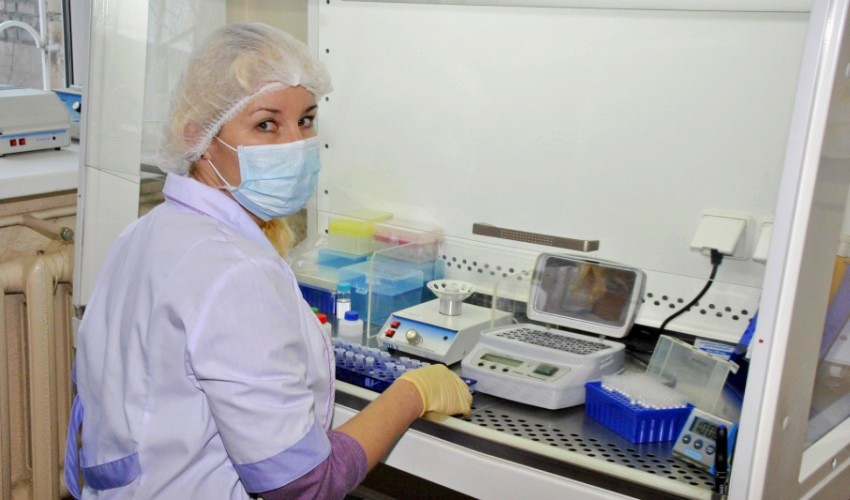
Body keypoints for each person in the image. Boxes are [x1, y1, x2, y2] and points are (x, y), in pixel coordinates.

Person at [64, 22, 472, 499]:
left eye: (306, 119)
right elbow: (306, 484)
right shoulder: (234, 272)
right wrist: (411, 394)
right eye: (266, 124)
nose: (295, 143)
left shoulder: (144, 233)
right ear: (198, 136)